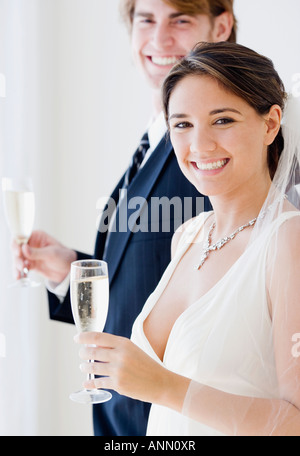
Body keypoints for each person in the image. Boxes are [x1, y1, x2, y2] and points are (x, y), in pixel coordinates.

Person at [13, 0, 236, 437]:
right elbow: (153, 274)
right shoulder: (155, 135)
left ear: (222, 25)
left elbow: (226, 277)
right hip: (123, 415)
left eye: (181, 19)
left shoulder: (213, 151)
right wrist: (70, 271)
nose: (159, 38)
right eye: (145, 20)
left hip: (168, 419)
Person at [74, 42, 300, 436]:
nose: (200, 145)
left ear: (270, 123)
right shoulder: (189, 235)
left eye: (223, 120)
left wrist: (162, 386)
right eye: (182, 124)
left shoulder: (288, 242)